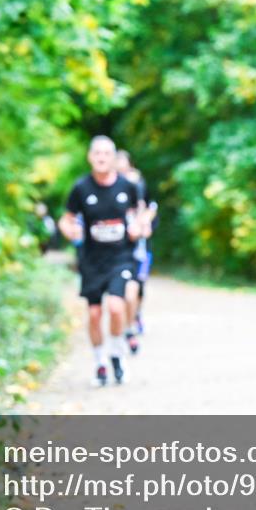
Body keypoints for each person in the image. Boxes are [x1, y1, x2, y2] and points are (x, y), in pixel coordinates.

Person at [58, 136, 150, 386]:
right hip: (91, 260)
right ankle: (100, 362)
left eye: (106, 153)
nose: (101, 157)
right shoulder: (81, 189)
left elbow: (141, 215)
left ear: (113, 158)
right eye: (96, 153)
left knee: (117, 307)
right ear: (90, 157)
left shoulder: (127, 187)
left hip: (121, 257)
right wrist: (70, 231)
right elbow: (66, 219)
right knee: (95, 314)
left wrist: (139, 228)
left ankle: (117, 353)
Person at [116, 149, 157, 354]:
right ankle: (127, 327)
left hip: (139, 244)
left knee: (139, 286)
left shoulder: (139, 181)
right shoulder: (110, 185)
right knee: (123, 289)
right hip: (118, 246)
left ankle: (135, 316)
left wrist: (145, 221)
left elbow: (151, 206)